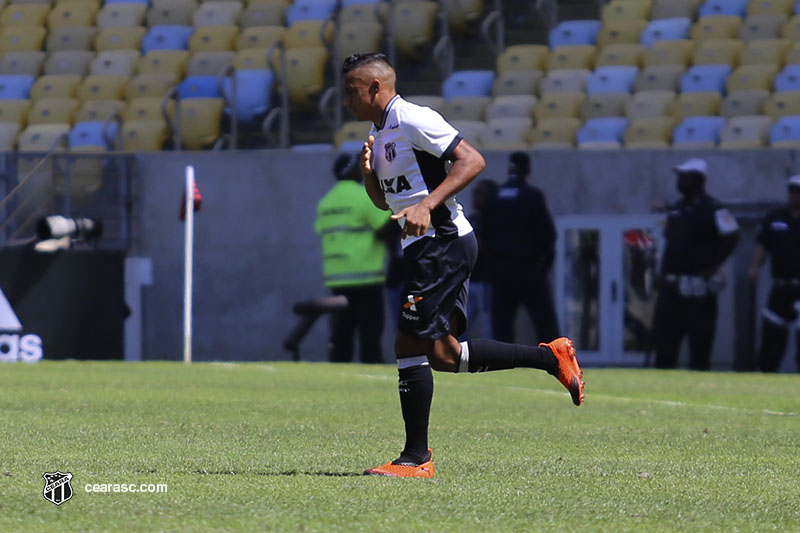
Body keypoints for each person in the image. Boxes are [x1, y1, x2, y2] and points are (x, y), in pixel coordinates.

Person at [341, 52, 585, 479]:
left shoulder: (414, 118)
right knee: (443, 353)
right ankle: (551, 357)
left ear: (375, 86)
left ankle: (416, 459)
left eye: (351, 90)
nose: (346, 99)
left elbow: (472, 160)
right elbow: (387, 203)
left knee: (407, 344)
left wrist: (429, 204)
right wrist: (368, 176)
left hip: (443, 242)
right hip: (426, 247)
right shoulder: (377, 134)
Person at [652, 158, 740, 370]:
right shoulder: (676, 209)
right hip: (672, 284)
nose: (680, 181)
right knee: (665, 341)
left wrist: (712, 268)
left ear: (698, 180)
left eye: (685, 177)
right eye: (679, 177)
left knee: (700, 341)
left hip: (698, 286)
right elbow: (670, 245)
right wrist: (661, 274)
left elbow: (732, 236)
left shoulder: (714, 208)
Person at [314, 153, 391, 364]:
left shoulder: (325, 203)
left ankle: (339, 379)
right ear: (351, 170)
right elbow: (386, 227)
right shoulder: (363, 196)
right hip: (366, 277)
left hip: (337, 279)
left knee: (340, 337)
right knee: (370, 337)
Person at [485, 151, 560, 344]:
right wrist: (545, 266)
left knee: (502, 323)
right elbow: (548, 235)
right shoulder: (532, 196)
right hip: (528, 269)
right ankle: (554, 361)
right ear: (527, 169)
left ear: (509, 168)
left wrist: (491, 266)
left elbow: (483, 233)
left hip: (501, 270)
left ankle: (502, 363)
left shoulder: (494, 197)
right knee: (544, 322)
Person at [747, 175, 800, 372]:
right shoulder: (775, 217)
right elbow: (762, 244)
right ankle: (766, 377)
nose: (795, 196)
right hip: (780, 287)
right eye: (793, 192)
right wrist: (754, 266)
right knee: (772, 338)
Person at [465, 179, 497, 338]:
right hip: (470, 279)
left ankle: (491, 359)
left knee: (488, 325)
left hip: (486, 280)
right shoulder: (473, 218)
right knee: (461, 324)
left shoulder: (494, 220)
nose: (475, 197)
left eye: (479, 193)